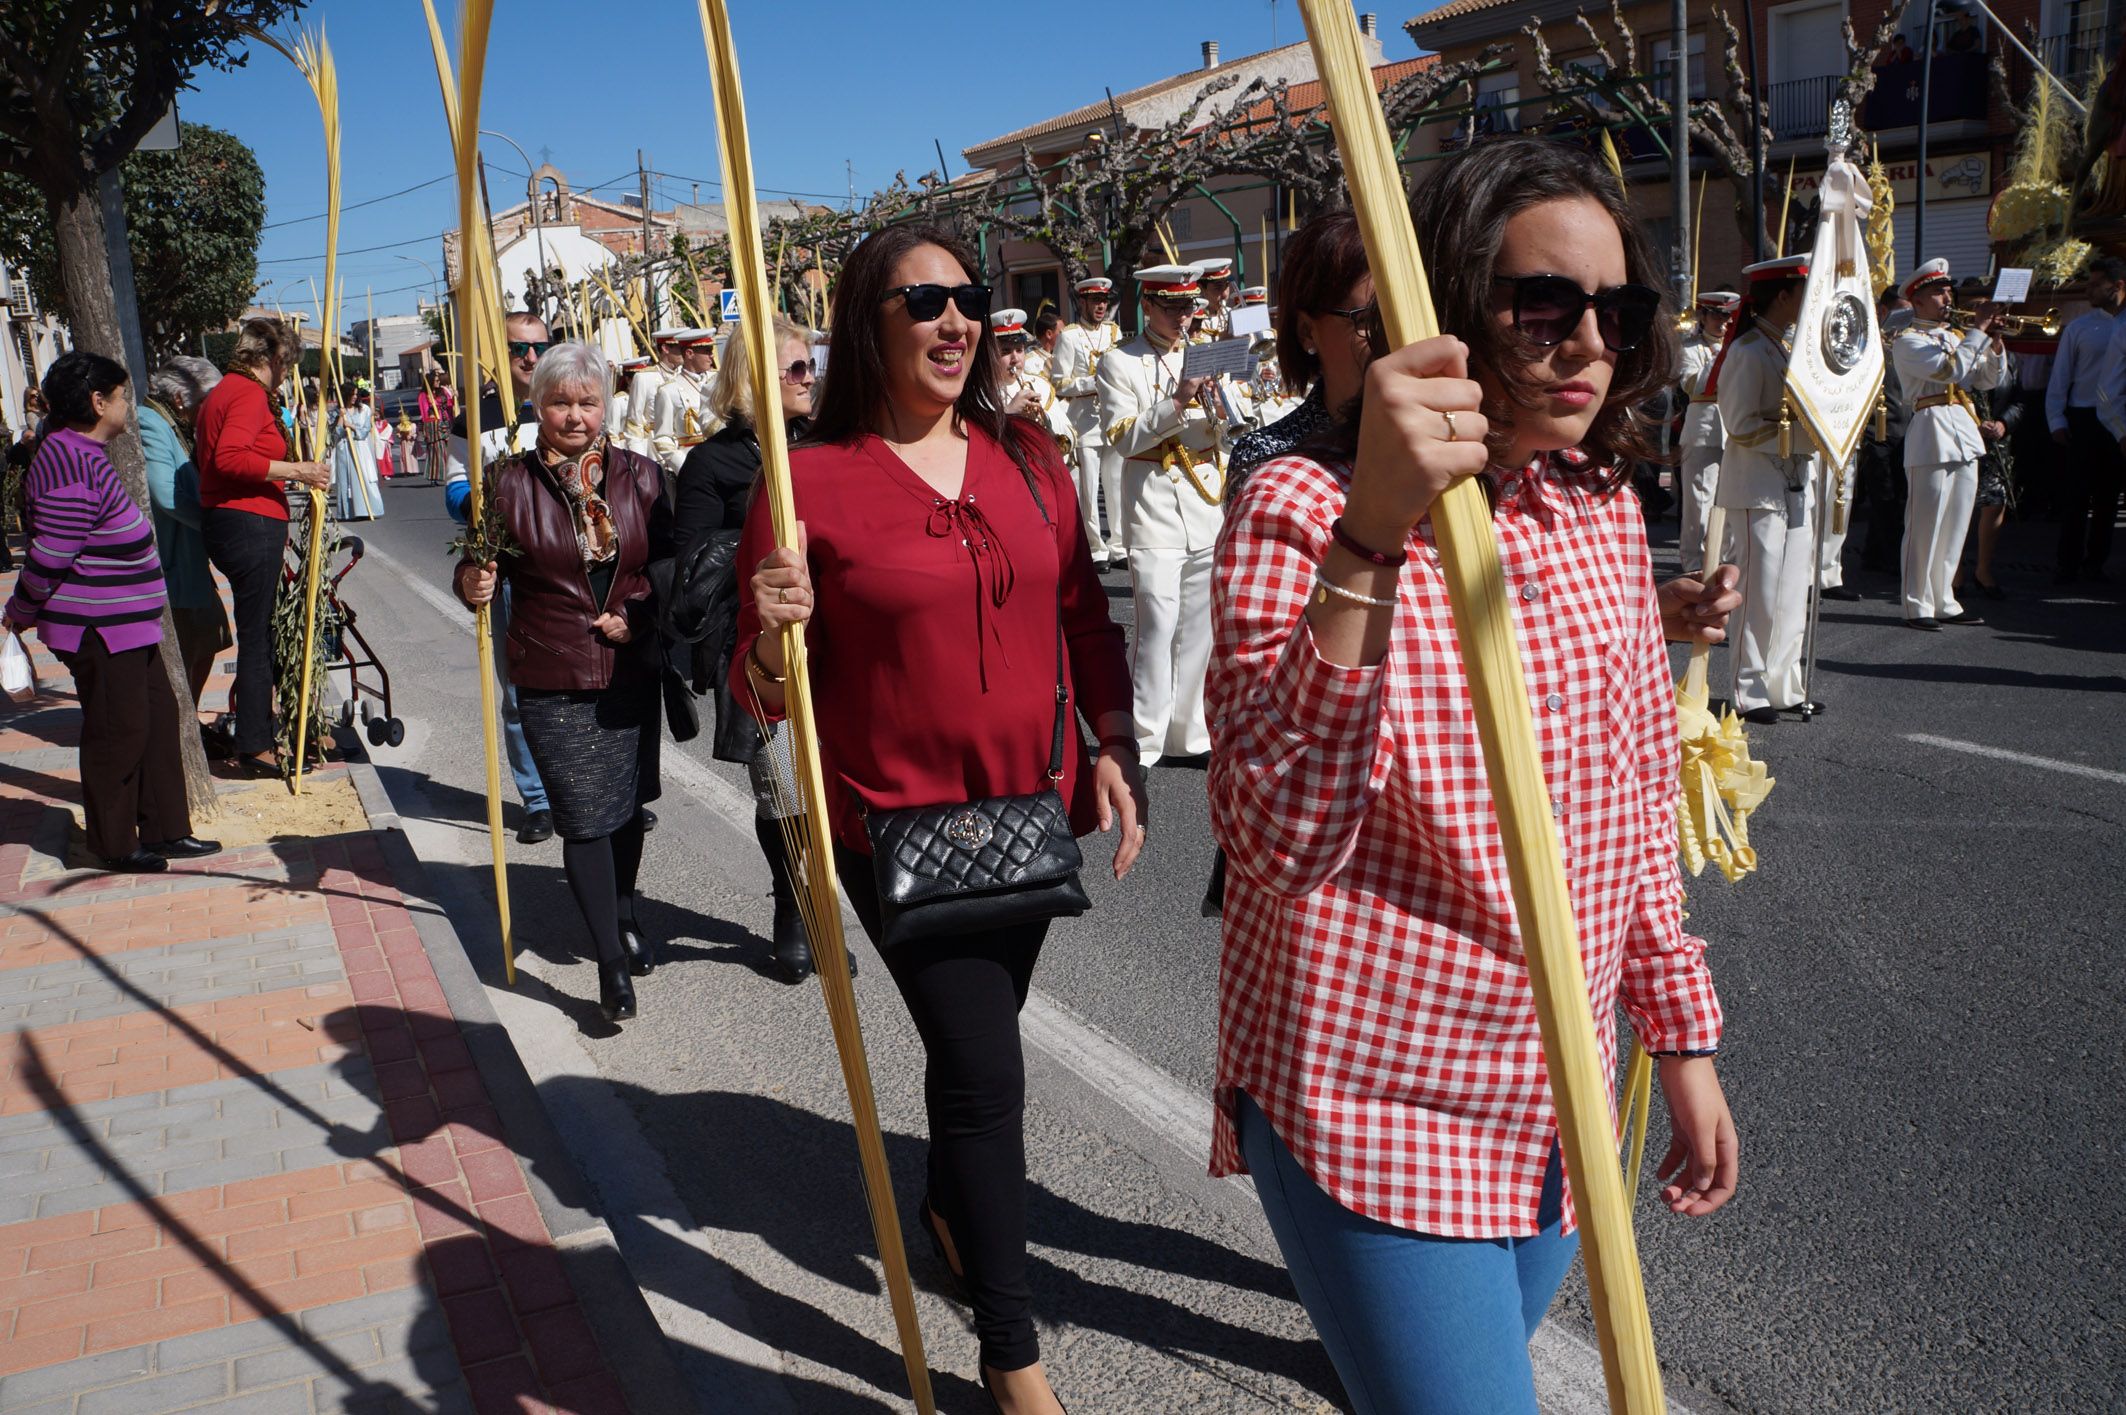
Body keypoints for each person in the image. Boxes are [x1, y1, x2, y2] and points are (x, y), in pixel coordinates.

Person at [1207, 137, 1735, 1415]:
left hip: (1558, 1093)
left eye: (1617, 310)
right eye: (1541, 303)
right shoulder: (1294, 505)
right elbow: (1274, 837)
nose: (1587, 342)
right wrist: (1373, 534)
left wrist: (1678, 1035)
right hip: (1374, 1100)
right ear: (1445, 304)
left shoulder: (1596, 501)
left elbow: (1629, 790)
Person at [733, 224, 1142, 1415]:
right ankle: (1011, 1358)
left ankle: (949, 1208)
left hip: (1026, 819)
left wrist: (1113, 746)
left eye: (970, 298)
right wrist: (771, 628)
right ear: (871, 321)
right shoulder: (804, 480)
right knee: (981, 1066)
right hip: (893, 826)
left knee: (975, 1055)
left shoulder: (1031, 458)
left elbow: (1081, 617)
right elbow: (759, 692)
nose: (957, 319)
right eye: (924, 301)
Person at [454, 341, 671, 1024]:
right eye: (559, 402)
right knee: (583, 816)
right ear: (537, 406)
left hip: (631, 668)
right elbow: (473, 565)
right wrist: (474, 581)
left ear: (606, 404)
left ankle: (627, 910)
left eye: (587, 401)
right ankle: (610, 960)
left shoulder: (643, 476)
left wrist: (639, 616)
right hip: (552, 668)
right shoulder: (506, 482)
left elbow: (669, 568)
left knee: (628, 805)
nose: (575, 416)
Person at [2, 353, 219, 873]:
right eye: (122, 396)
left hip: (127, 623)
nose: (128, 404)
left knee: (159, 721)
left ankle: (166, 830)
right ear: (98, 402)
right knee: (117, 732)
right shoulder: (65, 457)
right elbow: (52, 551)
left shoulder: (85, 450)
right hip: (97, 625)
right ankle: (113, 842)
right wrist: (18, 611)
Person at [673, 311, 832, 983]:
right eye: (794, 369)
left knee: (836, 791)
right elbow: (687, 564)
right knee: (784, 792)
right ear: (753, 379)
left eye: (809, 368)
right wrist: (763, 558)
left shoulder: (829, 445)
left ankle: (825, 902)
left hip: (837, 643)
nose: (808, 379)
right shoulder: (713, 461)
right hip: (760, 645)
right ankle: (792, 906)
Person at [1097, 262, 1250, 766]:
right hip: (1154, 505)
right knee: (1159, 622)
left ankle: (1190, 735)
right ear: (1147, 306)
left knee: (1199, 627)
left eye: (1190, 306)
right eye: (1174, 307)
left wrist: (1225, 404)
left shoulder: (1204, 352)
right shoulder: (1119, 362)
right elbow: (1122, 439)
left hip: (1204, 501)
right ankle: (1144, 738)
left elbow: (1226, 429)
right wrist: (1179, 399)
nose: (1185, 317)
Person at [196, 316, 332, 775]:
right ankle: (255, 744)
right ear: (275, 359)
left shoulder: (225, 392)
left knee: (263, 632)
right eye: (286, 365)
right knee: (260, 637)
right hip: (247, 523)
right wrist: (300, 471)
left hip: (237, 522)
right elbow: (229, 459)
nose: (284, 375)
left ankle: (282, 728)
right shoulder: (247, 394)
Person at [446, 310, 558, 844]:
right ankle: (537, 800)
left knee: (583, 682)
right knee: (517, 692)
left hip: (569, 568)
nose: (532, 359)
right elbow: (454, 492)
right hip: (508, 566)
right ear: (501, 353)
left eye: (541, 346)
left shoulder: (567, 400)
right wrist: (499, 502)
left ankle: (590, 789)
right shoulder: (475, 418)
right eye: (520, 349)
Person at [1711, 254, 1821, 722]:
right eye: (1802, 292)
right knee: (1760, 590)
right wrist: (1802, 437)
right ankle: (1749, 688)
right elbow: (1738, 424)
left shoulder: (1787, 347)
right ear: (1783, 295)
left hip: (1793, 481)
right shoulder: (1749, 350)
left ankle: (1784, 683)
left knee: (1794, 588)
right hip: (1757, 485)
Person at [1893, 257, 2006, 628]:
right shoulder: (1908, 340)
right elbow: (1950, 371)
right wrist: (1977, 332)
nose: (1946, 297)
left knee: (1956, 523)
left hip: (1963, 432)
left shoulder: (1957, 337)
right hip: (1930, 430)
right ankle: (1916, 602)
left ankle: (1944, 599)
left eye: (1947, 290)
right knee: (1925, 524)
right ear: (1917, 300)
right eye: (1937, 292)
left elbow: (1987, 381)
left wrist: (1995, 342)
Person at [140, 357, 234, 706]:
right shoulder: (150, 422)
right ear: (181, 398)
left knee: (212, 636)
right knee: (193, 643)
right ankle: (183, 720)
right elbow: (166, 494)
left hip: (189, 558)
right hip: (173, 557)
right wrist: (214, 522)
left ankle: (187, 718)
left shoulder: (173, 423)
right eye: (209, 398)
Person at [2046, 257, 2125, 584]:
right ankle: (2067, 564)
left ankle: (2096, 563)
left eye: (2095, 284)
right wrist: (2056, 420)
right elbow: (2061, 377)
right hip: (2083, 418)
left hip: (2117, 423)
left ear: (2116, 286)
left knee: (2108, 497)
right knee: (2077, 496)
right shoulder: (2079, 328)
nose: (2088, 289)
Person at [1051, 277, 1126, 567]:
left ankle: (1118, 544)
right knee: (1089, 488)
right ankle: (1096, 547)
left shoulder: (1113, 331)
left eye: (1104, 301)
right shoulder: (1069, 336)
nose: (1101, 306)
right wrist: (1092, 383)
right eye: (1095, 301)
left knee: (1116, 484)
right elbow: (1059, 382)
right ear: (1081, 302)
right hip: (1084, 421)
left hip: (1111, 418)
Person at [1677, 290, 1739, 574]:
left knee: (1729, 500)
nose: (1723, 322)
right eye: (1716, 315)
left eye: (1728, 316)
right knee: (1699, 503)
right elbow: (1693, 385)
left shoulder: (1740, 348)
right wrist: (1721, 356)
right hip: (1703, 430)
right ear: (1702, 316)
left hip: (1735, 430)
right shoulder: (1690, 348)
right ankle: (1694, 563)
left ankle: (1723, 561)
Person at [652, 329, 720, 486]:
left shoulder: (719, 381)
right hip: (693, 461)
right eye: (707, 351)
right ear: (690, 354)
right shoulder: (668, 390)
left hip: (721, 458)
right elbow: (663, 437)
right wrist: (683, 466)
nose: (712, 356)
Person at [622, 328, 686, 460]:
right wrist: (640, 460)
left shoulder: (684, 378)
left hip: (683, 446)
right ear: (665, 349)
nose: (684, 352)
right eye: (679, 348)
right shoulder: (644, 378)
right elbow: (634, 424)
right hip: (655, 450)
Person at [331, 382, 385, 521]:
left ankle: (369, 508)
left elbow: (365, 431)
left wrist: (352, 426)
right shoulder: (336, 412)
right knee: (346, 480)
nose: (355, 397)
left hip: (361, 448)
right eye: (352, 394)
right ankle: (348, 512)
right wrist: (342, 418)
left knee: (365, 476)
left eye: (356, 394)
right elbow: (336, 435)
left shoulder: (364, 410)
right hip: (344, 449)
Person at [417, 369, 455, 484]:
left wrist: (454, 397)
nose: (438, 382)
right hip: (433, 425)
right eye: (436, 381)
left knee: (448, 449)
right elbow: (424, 412)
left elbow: (449, 404)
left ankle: (448, 474)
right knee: (435, 451)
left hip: (445, 422)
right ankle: (434, 476)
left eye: (439, 380)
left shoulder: (442, 391)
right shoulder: (423, 395)